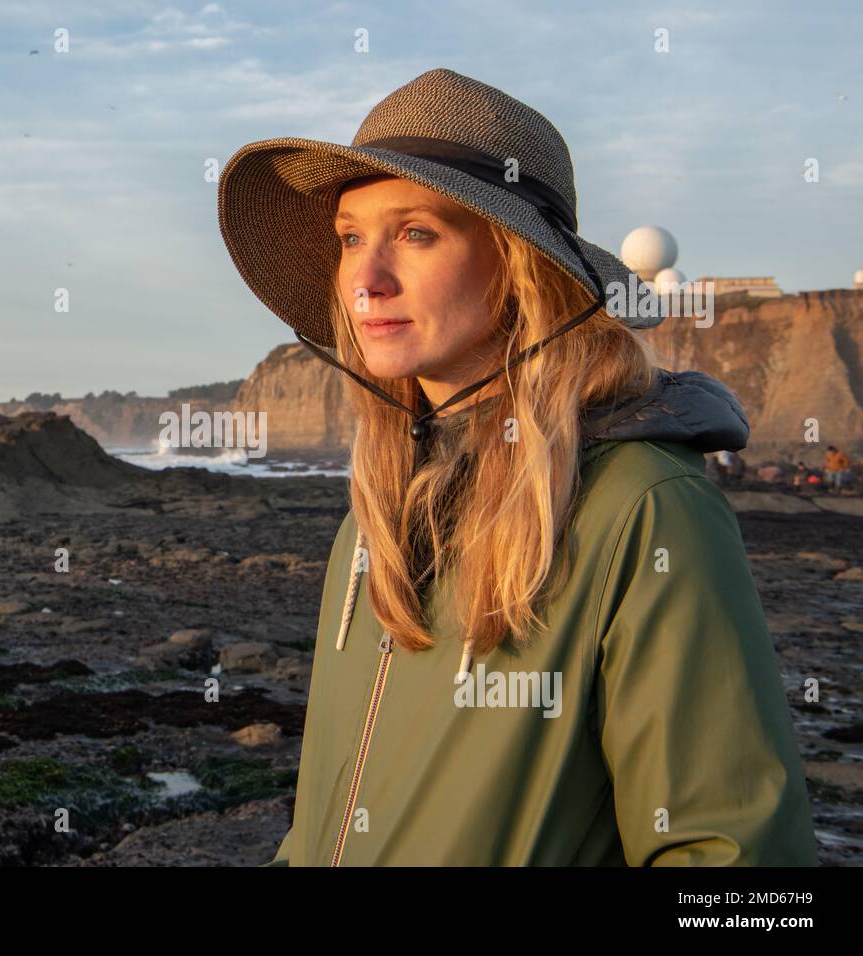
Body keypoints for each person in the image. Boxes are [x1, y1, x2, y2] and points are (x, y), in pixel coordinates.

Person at [218, 68, 817, 865]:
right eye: (351, 237)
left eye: (417, 233)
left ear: (519, 264)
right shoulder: (376, 519)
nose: (365, 280)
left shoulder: (645, 507)